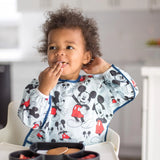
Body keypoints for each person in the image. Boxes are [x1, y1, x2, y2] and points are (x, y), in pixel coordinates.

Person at [18, 7, 139, 147]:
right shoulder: (37, 86)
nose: (59, 52)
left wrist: (106, 68)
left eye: (69, 47)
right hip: (45, 154)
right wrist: (43, 91)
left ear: (86, 56)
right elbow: (30, 120)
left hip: (86, 154)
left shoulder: (98, 87)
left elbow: (130, 91)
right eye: (52, 47)